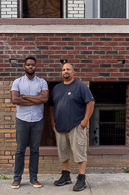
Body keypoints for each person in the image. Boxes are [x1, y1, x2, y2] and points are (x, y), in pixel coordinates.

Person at [49, 62, 95, 192]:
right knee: (64, 153)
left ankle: (81, 178)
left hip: (76, 125)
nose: (65, 71)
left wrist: (85, 120)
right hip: (60, 126)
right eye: (63, 70)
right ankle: (66, 176)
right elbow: (51, 106)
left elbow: (90, 102)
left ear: (73, 72)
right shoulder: (57, 88)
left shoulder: (80, 86)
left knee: (79, 152)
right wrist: (53, 122)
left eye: (68, 69)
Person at [10, 56, 49, 189]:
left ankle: (34, 178)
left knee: (35, 150)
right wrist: (36, 99)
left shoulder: (42, 82)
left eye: (32, 65)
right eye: (28, 65)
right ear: (24, 66)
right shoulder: (17, 82)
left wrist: (25, 97)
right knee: (20, 150)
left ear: (35, 66)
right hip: (22, 120)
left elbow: (44, 98)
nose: (30, 67)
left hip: (37, 120)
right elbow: (15, 100)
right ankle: (17, 179)